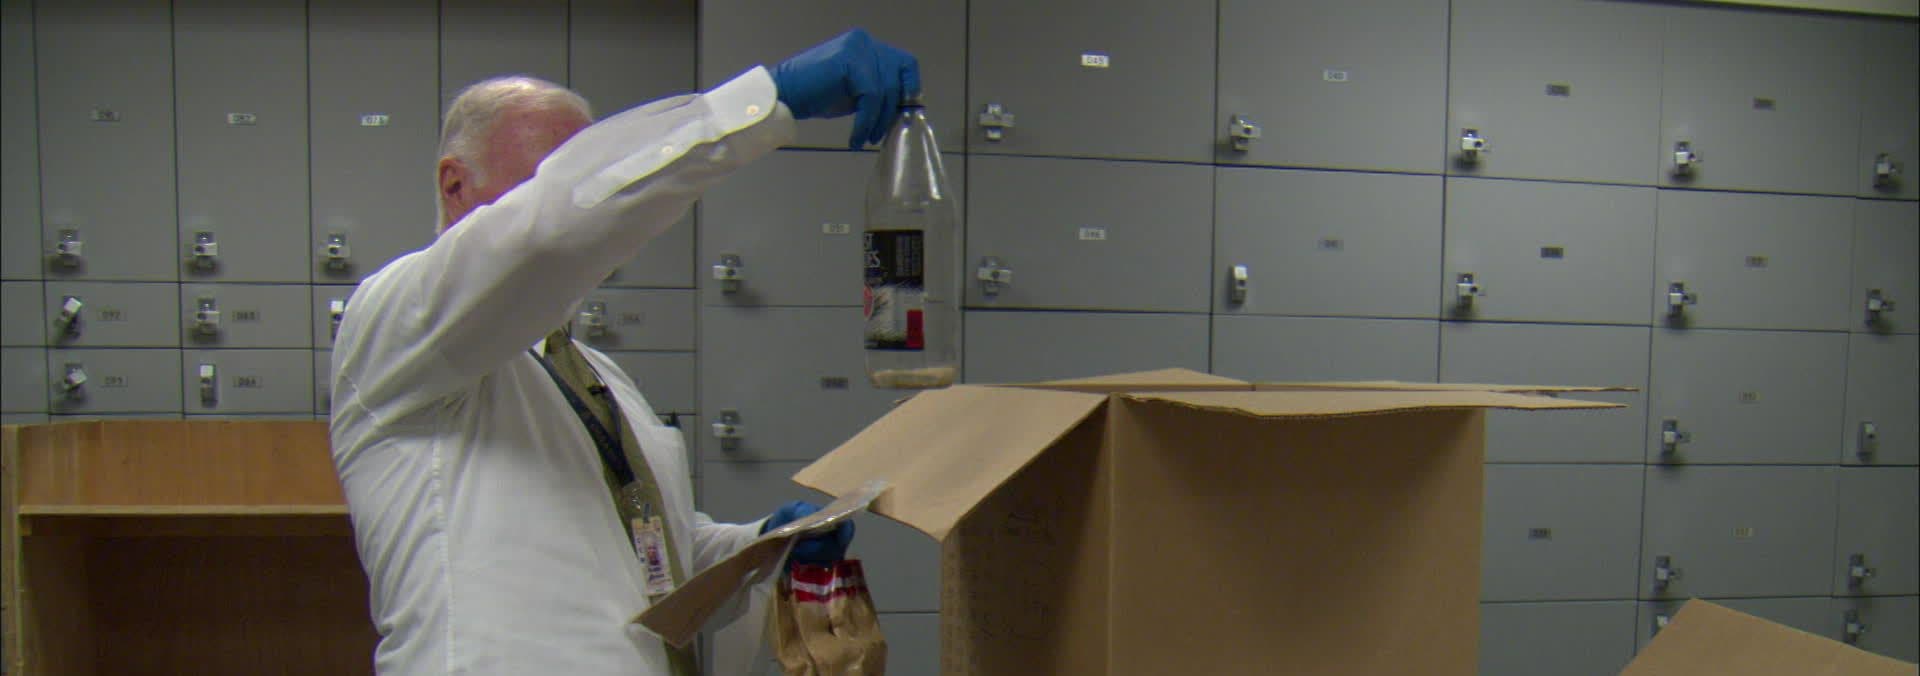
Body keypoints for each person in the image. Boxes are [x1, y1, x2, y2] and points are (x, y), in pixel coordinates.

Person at [328, 29, 919, 674]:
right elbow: (550, 232)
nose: (596, 199)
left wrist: (764, 544)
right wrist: (765, 100)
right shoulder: (393, 323)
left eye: (594, 170)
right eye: (552, 179)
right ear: (455, 185)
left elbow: (652, 555)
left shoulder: (596, 376)